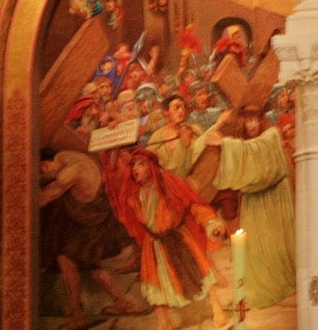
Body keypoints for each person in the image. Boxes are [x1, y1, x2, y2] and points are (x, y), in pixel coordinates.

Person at [111, 148, 228, 330]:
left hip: (178, 240)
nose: (135, 169)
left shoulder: (168, 188)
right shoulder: (136, 197)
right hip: (154, 245)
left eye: (141, 164)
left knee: (200, 273)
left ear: (151, 167)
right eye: (134, 165)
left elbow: (193, 206)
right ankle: (163, 323)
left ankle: (217, 308)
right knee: (156, 282)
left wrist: (211, 223)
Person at [38, 148, 144, 328]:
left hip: (94, 222)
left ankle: (78, 315)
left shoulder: (71, 170)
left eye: (42, 171)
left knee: (65, 259)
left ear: (45, 164)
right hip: (96, 220)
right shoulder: (74, 157)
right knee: (92, 266)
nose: (44, 175)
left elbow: (48, 194)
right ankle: (123, 303)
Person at [204, 106, 296, 309]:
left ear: (261, 120)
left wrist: (224, 143)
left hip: (274, 200)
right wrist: (220, 124)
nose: (252, 125)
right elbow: (209, 139)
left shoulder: (271, 135)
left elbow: (256, 150)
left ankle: (280, 287)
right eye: (248, 120)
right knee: (254, 247)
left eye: (255, 120)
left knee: (274, 246)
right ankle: (257, 290)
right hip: (254, 201)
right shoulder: (243, 142)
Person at [147, 94, 207, 179]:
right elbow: (149, 163)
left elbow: (204, 155)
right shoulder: (156, 137)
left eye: (183, 108)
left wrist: (186, 144)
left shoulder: (194, 130)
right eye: (177, 107)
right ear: (166, 112)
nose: (181, 111)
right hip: (167, 183)